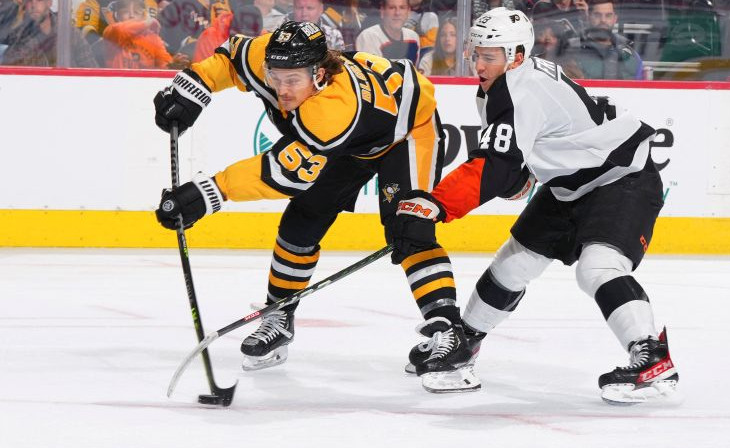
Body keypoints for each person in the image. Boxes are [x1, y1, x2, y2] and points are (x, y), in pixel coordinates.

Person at [152, 20, 478, 393]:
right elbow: (228, 60)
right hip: (353, 139)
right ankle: (279, 317)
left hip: (407, 133)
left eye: (294, 81)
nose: (283, 90)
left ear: (319, 74)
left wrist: (206, 194)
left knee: (409, 229)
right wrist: (192, 88)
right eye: (276, 78)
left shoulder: (333, 107)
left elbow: (283, 173)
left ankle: (449, 335)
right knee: (301, 221)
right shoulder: (267, 58)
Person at [393, 7, 679, 404]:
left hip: (622, 178)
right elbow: (515, 156)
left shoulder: (516, 89)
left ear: (516, 55)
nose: (478, 63)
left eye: (488, 56)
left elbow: (495, 165)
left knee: (597, 267)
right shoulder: (511, 80)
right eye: (475, 53)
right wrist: (517, 173)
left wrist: (435, 204)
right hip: (570, 184)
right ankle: (465, 345)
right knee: (514, 263)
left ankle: (650, 354)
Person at [2, 0, 98, 67]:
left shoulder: (70, 33)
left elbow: (91, 70)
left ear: (49, 2)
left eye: (39, 0)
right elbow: (11, 78)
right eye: (29, 0)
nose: (33, 5)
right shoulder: (17, 37)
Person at [566, 0, 642, 79]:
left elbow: (638, 89)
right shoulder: (570, 51)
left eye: (608, 15)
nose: (603, 20)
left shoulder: (630, 55)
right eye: (597, 15)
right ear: (588, 17)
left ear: (614, 19)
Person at [102, 0, 188, 68]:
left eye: (136, 12)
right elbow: (121, 30)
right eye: (125, 12)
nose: (131, 15)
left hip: (145, 86)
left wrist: (173, 64)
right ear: (117, 16)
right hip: (116, 84)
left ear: (143, 16)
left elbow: (164, 66)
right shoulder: (111, 31)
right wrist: (148, 22)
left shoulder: (153, 38)